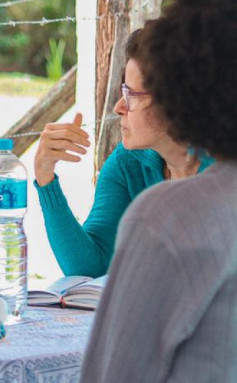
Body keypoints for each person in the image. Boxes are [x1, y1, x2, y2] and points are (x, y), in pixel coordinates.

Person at [81, 1, 237, 381]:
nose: (119, 106)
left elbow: (114, 374)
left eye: (130, 93)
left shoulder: (166, 216)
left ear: (177, 97)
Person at [32, 28, 213, 278]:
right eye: (121, 92)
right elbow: (88, 268)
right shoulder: (129, 162)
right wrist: (45, 178)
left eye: (130, 95)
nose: (118, 107)